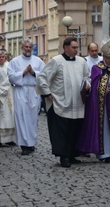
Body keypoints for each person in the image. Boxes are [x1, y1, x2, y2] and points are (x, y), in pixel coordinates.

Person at [36, 37, 89, 168]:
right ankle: (63, 156)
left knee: (74, 130)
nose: (76, 50)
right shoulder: (56, 61)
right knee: (62, 132)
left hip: (77, 103)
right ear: (66, 47)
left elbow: (87, 77)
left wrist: (87, 85)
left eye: (77, 47)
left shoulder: (82, 61)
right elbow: (42, 77)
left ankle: (72, 154)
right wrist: (47, 93)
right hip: (61, 102)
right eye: (74, 47)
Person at [76, 37, 110, 163]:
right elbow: (94, 85)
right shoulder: (97, 68)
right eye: (109, 58)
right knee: (106, 128)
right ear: (104, 56)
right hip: (104, 105)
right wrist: (101, 90)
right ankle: (106, 153)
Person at [8, 40, 45, 156]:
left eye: (30, 47)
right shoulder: (15, 61)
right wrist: (23, 73)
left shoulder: (38, 61)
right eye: (26, 47)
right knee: (21, 117)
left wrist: (34, 73)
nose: (28, 49)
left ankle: (31, 143)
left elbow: (44, 75)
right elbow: (10, 76)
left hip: (33, 90)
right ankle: (24, 145)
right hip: (20, 90)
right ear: (22, 47)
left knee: (33, 118)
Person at [0, 49, 16, 146]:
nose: (2, 58)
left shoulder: (9, 65)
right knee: (1, 116)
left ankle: (10, 138)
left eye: (3, 57)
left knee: (11, 114)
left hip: (9, 93)